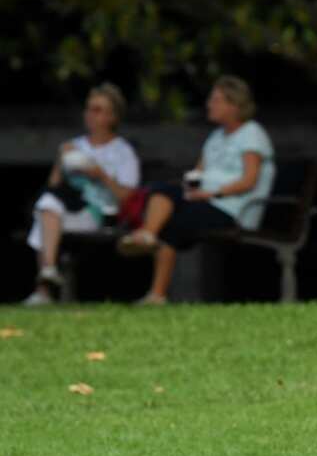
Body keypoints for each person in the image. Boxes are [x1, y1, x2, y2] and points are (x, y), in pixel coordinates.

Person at [116, 76, 275, 305]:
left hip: (233, 208)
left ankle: (150, 250)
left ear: (234, 105)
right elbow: (198, 173)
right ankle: (149, 240)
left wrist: (212, 194)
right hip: (207, 201)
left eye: (217, 100)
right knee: (163, 191)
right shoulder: (216, 137)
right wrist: (190, 190)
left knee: (171, 220)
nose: (210, 104)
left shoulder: (252, 133)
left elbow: (249, 180)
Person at [22, 84, 141, 306]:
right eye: (88, 108)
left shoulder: (123, 151)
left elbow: (128, 197)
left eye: (97, 109)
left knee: (45, 211)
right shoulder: (73, 146)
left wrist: (101, 175)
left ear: (112, 116)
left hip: (100, 213)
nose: (90, 114)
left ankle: (44, 288)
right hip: (66, 208)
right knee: (47, 204)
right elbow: (53, 185)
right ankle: (48, 271)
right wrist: (61, 160)